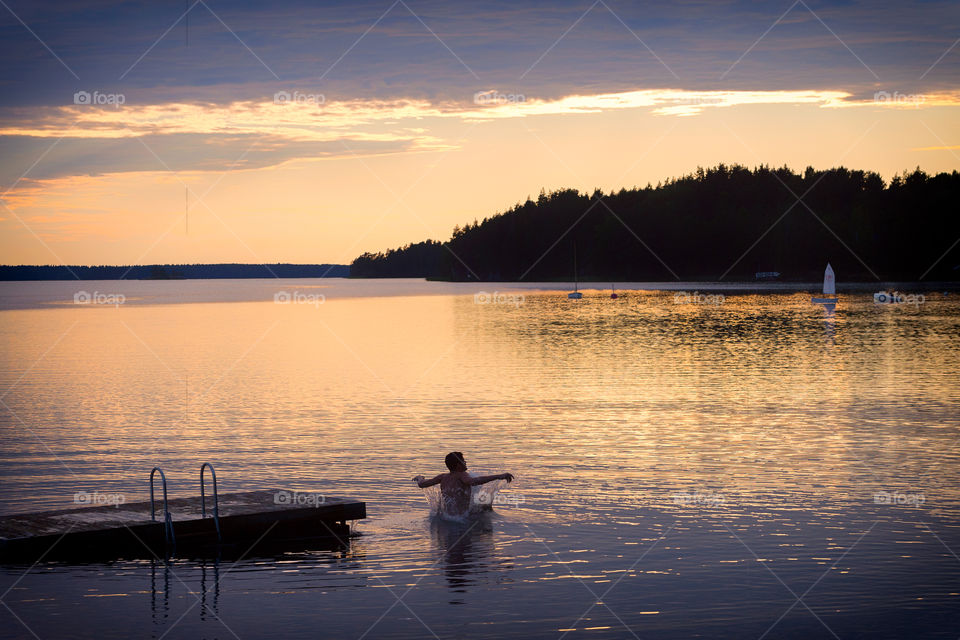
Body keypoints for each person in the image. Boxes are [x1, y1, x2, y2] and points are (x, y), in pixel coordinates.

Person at [413, 452, 513, 517]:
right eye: (463, 461)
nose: (465, 462)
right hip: (462, 519)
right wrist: (499, 476)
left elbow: (422, 484)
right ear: (458, 465)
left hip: (448, 518)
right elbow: (473, 481)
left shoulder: (443, 477)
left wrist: (419, 478)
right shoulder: (462, 475)